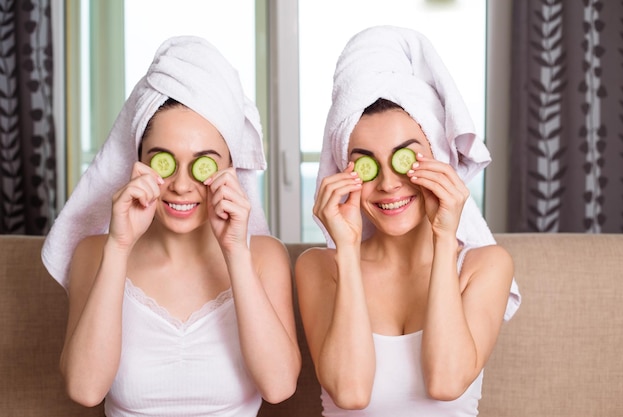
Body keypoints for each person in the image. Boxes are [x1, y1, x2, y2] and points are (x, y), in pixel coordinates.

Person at [41, 36, 301, 416]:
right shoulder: (95, 252)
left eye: (203, 164)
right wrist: (117, 246)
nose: (181, 184)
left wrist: (234, 252)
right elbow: (85, 389)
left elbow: (278, 387)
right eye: (164, 161)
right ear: (139, 163)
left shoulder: (263, 257)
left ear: (229, 170)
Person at [295, 25, 521, 416]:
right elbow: (350, 392)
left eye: (407, 159)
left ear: (440, 160)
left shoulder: (485, 265)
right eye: (366, 164)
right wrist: (346, 251)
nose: (387, 183)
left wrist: (445, 235)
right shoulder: (318, 268)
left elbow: (446, 382)